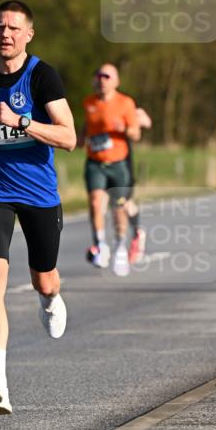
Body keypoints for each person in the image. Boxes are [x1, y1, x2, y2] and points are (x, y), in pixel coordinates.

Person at [0, 0, 76, 416]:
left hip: (39, 193)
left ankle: (50, 299)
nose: (5, 33)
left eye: (13, 28)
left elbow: (69, 137)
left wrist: (20, 121)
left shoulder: (43, 77)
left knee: (44, 280)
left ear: (28, 35)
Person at [80, 64, 140, 277]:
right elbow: (87, 128)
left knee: (118, 208)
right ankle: (100, 245)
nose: (102, 79)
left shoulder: (125, 103)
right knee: (96, 202)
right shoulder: (89, 103)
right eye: (99, 75)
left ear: (116, 81)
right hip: (95, 162)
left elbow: (136, 134)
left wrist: (123, 128)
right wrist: (77, 139)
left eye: (107, 76)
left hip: (118, 163)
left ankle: (121, 247)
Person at [125, 105, 152, 264]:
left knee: (124, 203)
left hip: (122, 164)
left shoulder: (125, 105)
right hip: (100, 163)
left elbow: (147, 122)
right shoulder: (94, 105)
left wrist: (128, 122)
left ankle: (137, 233)